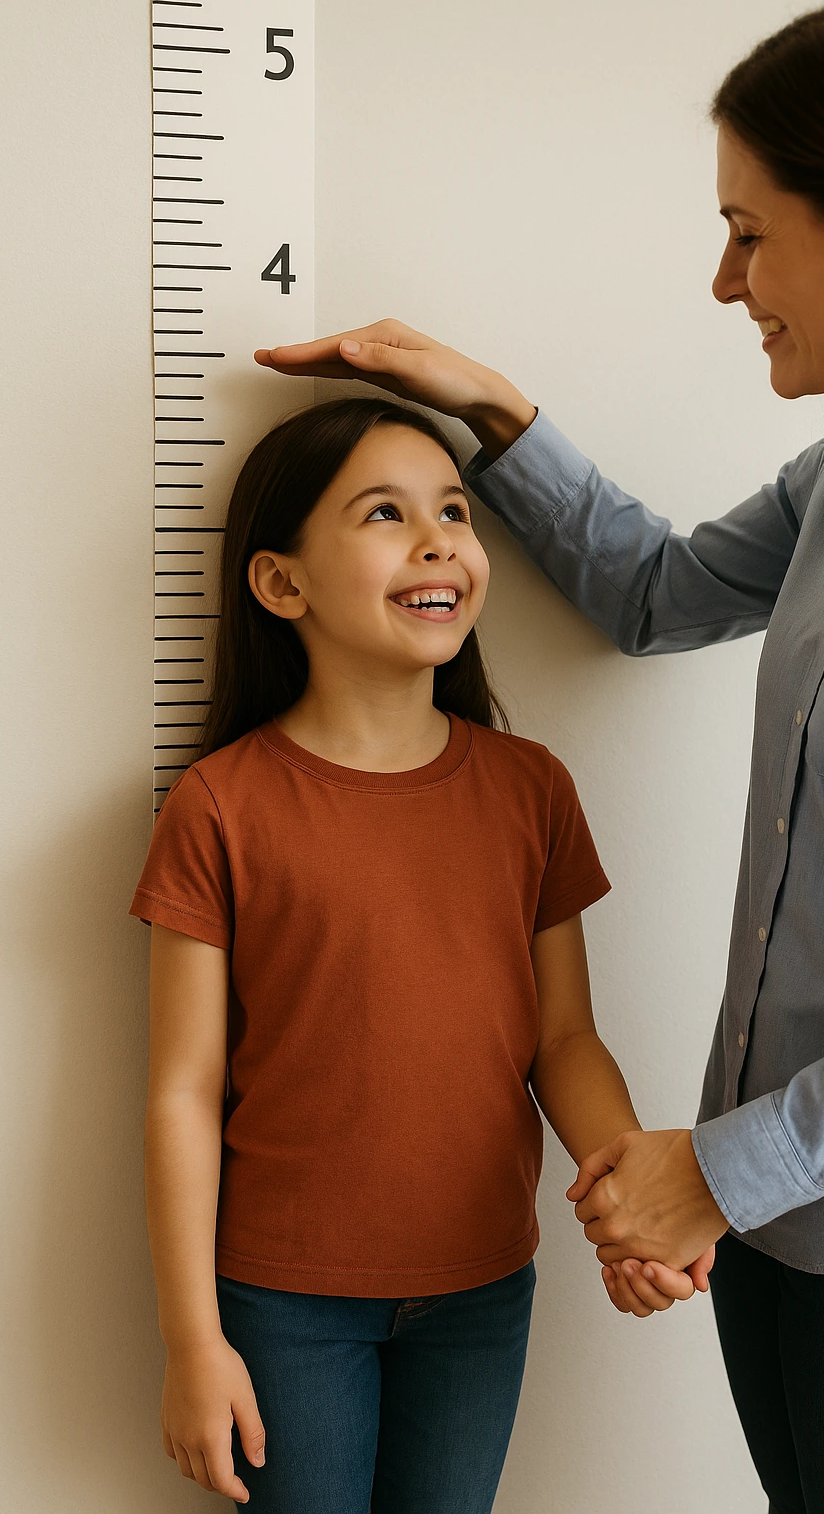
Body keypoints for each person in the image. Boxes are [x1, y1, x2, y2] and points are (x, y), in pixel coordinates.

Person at [254, 0, 824, 1508]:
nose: (726, 282)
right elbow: (652, 593)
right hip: (771, 1235)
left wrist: (714, 1170)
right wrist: (479, 407)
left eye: (751, 229)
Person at [133, 396, 702, 1512]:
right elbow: (183, 1094)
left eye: (453, 509)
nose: (440, 538)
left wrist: (632, 1192)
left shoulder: (529, 788)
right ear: (281, 584)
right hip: (284, 1303)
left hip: (483, 1290)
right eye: (386, 514)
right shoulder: (221, 807)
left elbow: (563, 1038)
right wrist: (192, 1340)